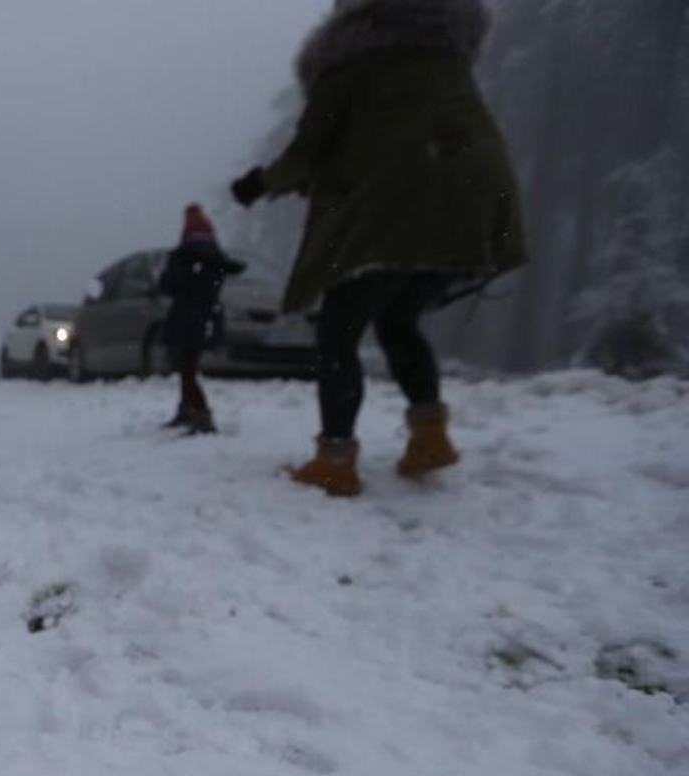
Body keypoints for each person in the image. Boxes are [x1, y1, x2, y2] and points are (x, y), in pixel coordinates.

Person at [230, 0, 525, 496]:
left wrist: (258, 184)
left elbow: (307, 152)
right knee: (397, 318)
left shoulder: (349, 60)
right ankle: (430, 437)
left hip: (399, 203)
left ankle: (335, 459)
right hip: (476, 198)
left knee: (337, 332)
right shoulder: (445, 56)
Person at [156, 204, 246, 434]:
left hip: (185, 314)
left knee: (185, 367)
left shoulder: (184, 255)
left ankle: (200, 413)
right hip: (207, 314)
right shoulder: (215, 257)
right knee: (189, 365)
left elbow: (168, 285)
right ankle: (189, 409)